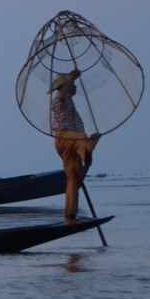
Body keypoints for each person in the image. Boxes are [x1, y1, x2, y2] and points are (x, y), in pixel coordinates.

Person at [49, 69, 101, 223]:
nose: (75, 87)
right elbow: (62, 94)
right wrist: (71, 78)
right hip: (64, 138)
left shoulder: (70, 101)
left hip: (74, 141)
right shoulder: (59, 99)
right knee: (82, 137)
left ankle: (70, 216)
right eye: (72, 84)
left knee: (75, 177)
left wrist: (72, 79)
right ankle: (87, 146)